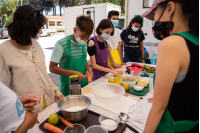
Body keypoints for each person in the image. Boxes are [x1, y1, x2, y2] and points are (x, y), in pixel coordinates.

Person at [142, 0, 199, 132]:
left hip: (173, 128)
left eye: (154, 14)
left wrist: (158, 101)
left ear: (170, 8)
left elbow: (159, 108)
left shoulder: (171, 44)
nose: (154, 21)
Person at [0, 5, 64, 112]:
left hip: (49, 104)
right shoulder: (3, 51)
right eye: (38, 28)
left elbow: (43, 75)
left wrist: (57, 91)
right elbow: (3, 93)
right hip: (25, 113)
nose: (41, 32)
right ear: (26, 28)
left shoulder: (36, 45)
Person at [49, 15, 94, 96]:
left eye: (87, 38)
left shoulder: (83, 44)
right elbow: (52, 68)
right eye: (82, 36)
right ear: (75, 30)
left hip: (84, 86)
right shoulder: (61, 44)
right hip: (68, 87)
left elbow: (83, 60)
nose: (84, 40)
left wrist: (88, 67)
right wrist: (73, 73)